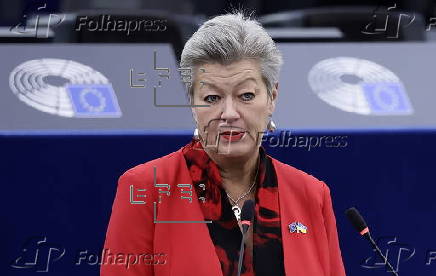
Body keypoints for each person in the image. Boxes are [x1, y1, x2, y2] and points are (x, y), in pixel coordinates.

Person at [101, 11, 346, 276]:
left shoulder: (311, 194)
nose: (229, 113)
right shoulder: (145, 189)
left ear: (272, 97)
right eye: (211, 98)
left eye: (246, 95)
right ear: (192, 103)